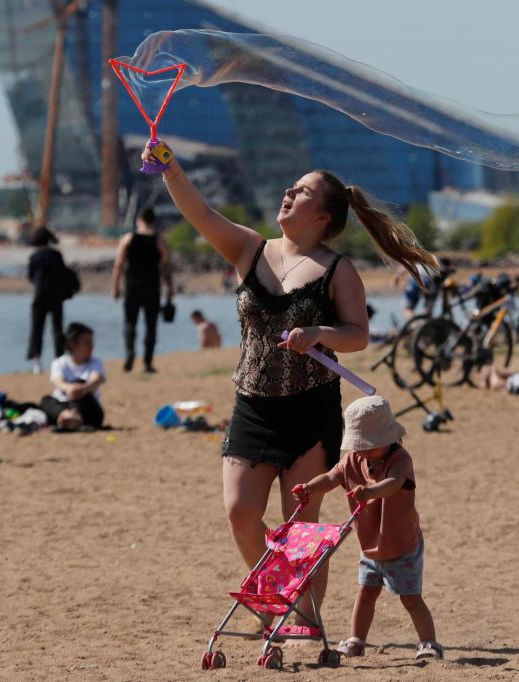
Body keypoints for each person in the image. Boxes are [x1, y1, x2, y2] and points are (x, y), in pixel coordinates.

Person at [144, 138, 437, 630]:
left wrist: (320, 333)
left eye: (300, 192)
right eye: (291, 187)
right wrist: (169, 166)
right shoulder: (249, 248)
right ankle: (280, 596)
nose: (287, 193)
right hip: (252, 405)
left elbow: (358, 335)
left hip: (310, 409)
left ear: (322, 216)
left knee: (300, 527)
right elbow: (201, 214)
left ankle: (304, 618)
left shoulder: (337, 270)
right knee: (240, 512)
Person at [291, 396, 442, 661]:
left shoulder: (400, 460)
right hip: (370, 546)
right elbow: (330, 477)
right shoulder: (352, 460)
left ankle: (429, 643)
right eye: (360, 446)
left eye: (370, 446)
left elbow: (394, 484)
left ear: (388, 439)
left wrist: (369, 490)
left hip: (401, 545)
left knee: (410, 598)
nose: (363, 451)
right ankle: (357, 640)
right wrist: (309, 488)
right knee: (366, 594)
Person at [112, 207, 175, 373]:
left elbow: (118, 264)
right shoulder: (159, 240)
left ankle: (130, 354)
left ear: (139, 219)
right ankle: (147, 362)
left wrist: (115, 286)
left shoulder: (128, 238)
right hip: (152, 286)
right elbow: (166, 266)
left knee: (130, 322)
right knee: (151, 325)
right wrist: (169, 287)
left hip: (132, 286)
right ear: (153, 220)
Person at [40, 322, 106, 430]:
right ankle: (68, 417)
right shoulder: (59, 363)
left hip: (88, 410)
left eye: (92, 342)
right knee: (46, 400)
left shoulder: (96, 363)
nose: (91, 346)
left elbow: (96, 380)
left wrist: (83, 389)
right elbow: (58, 382)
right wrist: (69, 388)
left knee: (79, 382)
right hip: (63, 407)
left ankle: (73, 418)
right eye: (87, 343)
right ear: (72, 344)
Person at [26, 226, 67, 374]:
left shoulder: (35, 256)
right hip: (56, 296)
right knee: (58, 329)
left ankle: (37, 362)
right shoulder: (56, 254)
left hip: (39, 295)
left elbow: (30, 276)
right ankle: (59, 359)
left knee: (37, 329)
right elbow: (64, 273)